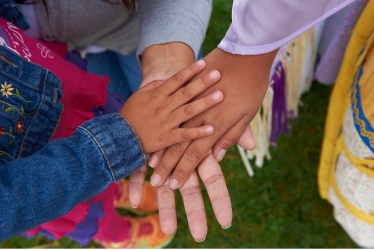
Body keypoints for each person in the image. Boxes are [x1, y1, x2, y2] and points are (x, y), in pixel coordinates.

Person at [125, 0, 359, 241]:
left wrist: (167, 60)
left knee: (139, 100)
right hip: (92, 68)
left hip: (143, 31)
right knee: (118, 97)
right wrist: (114, 137)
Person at [0, 36, 225, 246]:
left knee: (109, 180)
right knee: (92, 208)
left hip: (52, 93)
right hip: (47, 179)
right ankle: (121, 237)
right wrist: (122, 137)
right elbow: (13, 203)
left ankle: (119, 193)